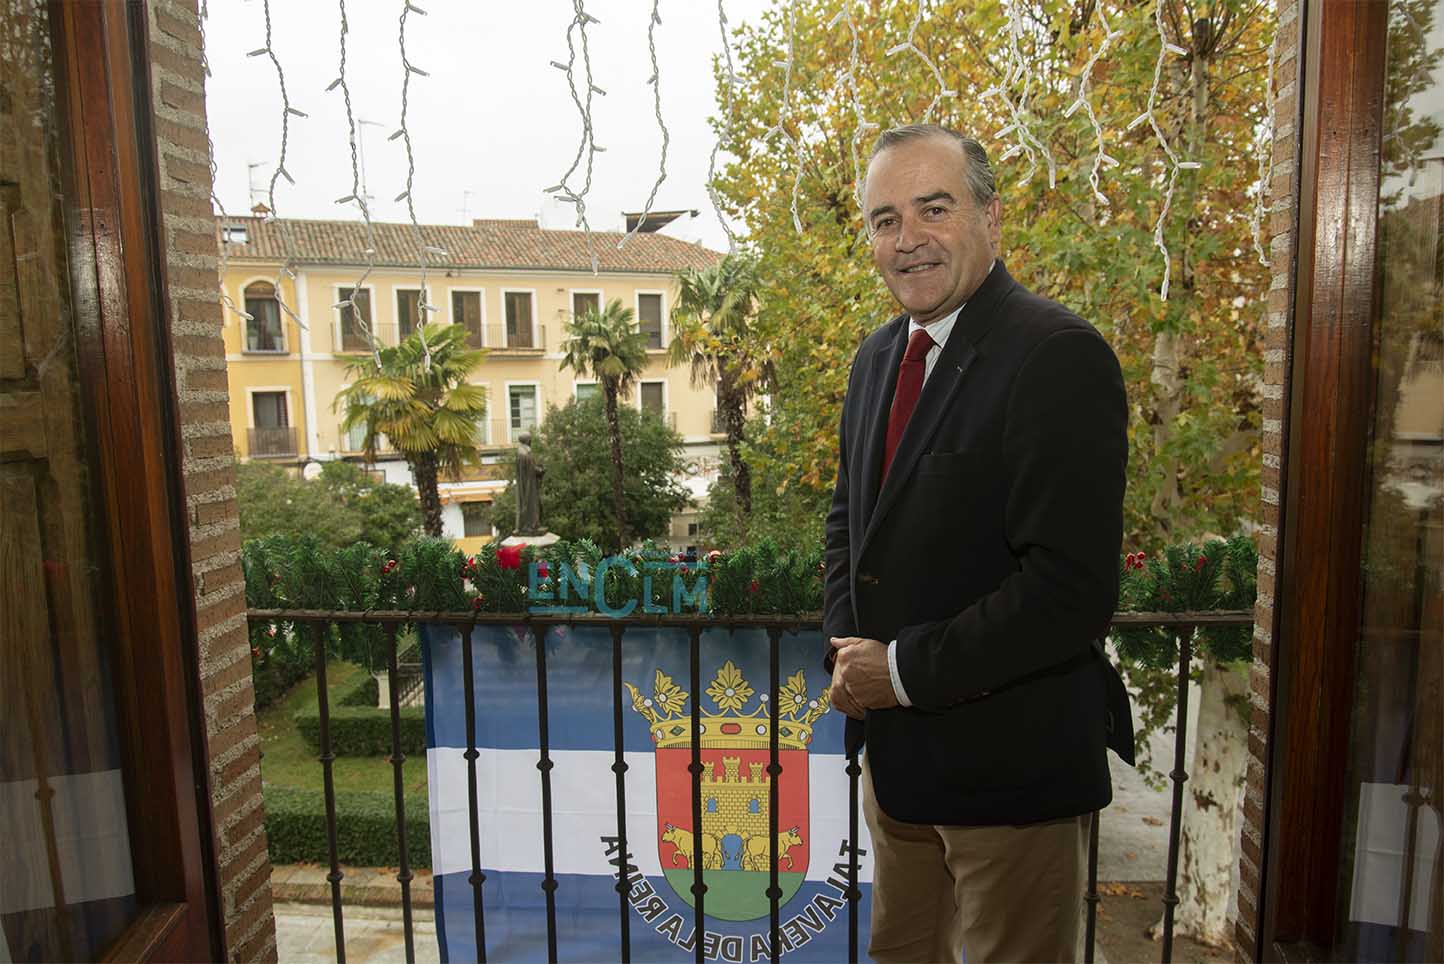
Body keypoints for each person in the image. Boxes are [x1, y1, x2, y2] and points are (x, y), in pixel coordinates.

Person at [823, 124, 1134, 963]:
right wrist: (850, 648)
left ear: (991, 217)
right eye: (885, 219)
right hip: (901, 774)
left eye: (934, 208)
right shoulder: (876, 358)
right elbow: (848, 524)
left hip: (1010, 777)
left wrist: (892, 673)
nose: (907, 238)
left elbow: (1068, 593)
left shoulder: (1057, 355)